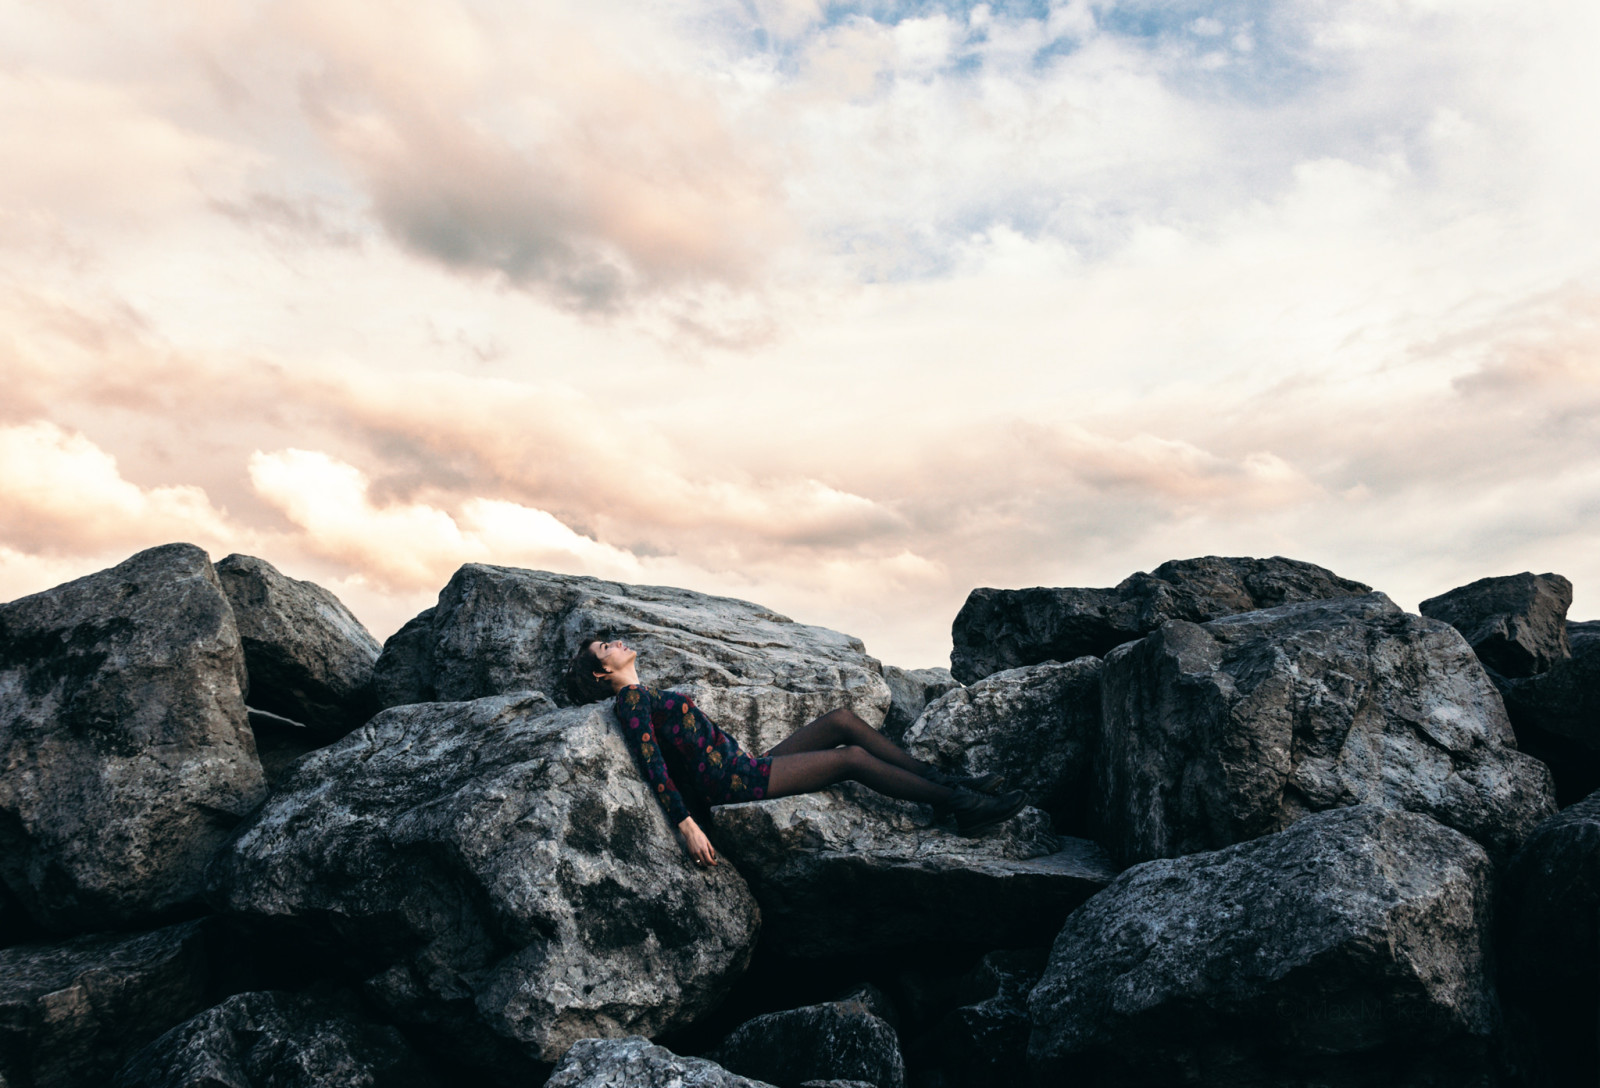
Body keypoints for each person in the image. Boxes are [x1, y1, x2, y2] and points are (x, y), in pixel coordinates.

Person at [569, 638, 1028, 868]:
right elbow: (650, 764)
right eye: (606, 647)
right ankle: (961, 805)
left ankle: (951, 782)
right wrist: (686, 825)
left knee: (842, 720)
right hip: (732, 783)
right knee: (850, 759)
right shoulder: (630, 702)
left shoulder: (645, 693)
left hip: (744, 765)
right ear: (601, 671)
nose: (618, 642)